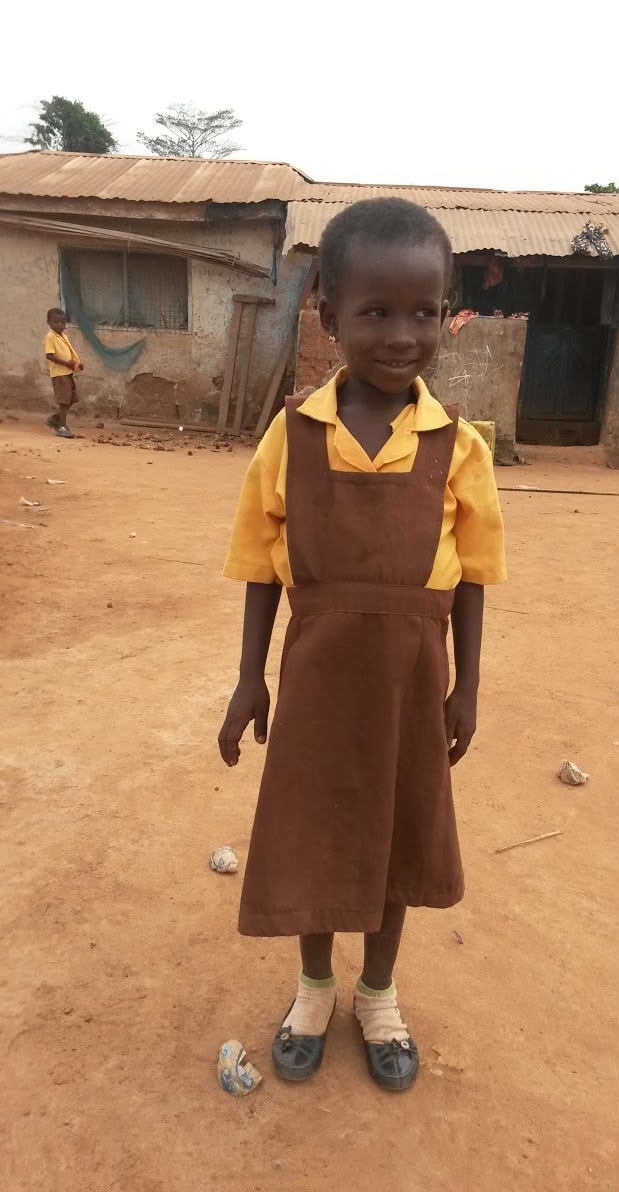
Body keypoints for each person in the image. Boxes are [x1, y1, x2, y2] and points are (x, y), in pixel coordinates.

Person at [219, 198, 507, 1092]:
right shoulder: (292, 435)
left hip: (412, 683)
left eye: (424, 311)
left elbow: (472, 575)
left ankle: (377, 994)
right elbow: (262, 566)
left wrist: (464, 689)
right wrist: (247, 681)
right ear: (328, 315)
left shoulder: (457, 445)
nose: (401, 334)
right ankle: (313, 988)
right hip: (315, 679)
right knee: (314, 830)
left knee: (396, 836)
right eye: (375, 311)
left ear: (445, 313)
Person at [43, 308, 83, 439]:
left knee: (72, 398)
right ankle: (62, 426)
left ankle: (56, 418)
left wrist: (76, 364)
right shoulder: (50, 337)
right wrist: (66, 363)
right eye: (56, 322)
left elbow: (69, 352)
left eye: (62, 322)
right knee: (64, 400)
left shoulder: (63, 336)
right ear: (49, 322)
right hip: (59, 373)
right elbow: (50, 355)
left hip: (67, 372)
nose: (60, 325)